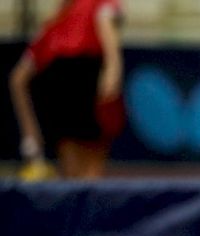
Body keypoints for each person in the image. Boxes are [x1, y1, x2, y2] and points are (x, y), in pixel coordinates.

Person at [9, 0, 125, 179]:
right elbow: (18, 79)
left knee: (79, 176)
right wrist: (113, 66)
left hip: (79, 92)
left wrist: (30, 135)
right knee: (85, 177)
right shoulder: (53, 27)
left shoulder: (55, 26)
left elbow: (17, 79)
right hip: (72, 93)